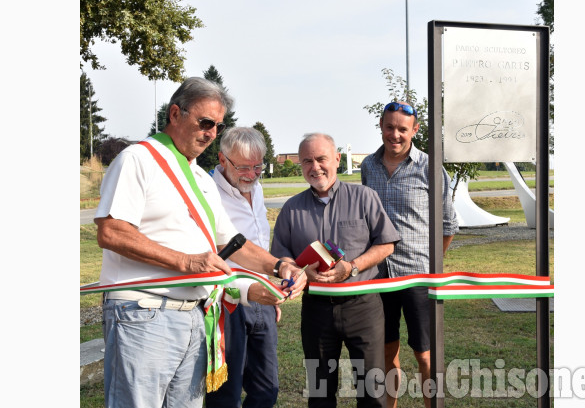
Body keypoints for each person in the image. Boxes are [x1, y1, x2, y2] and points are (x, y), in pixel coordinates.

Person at [94, 77, 306, 408]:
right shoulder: (138, 159)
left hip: (193, 317)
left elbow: (233, 242)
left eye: (218, 127)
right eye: (205, 122)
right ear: (175, 114)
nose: (211, 133)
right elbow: (111, 231)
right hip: (143, 313)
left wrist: (281, 265)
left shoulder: (199, 177)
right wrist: (188, 262)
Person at [271, 133, 400, 408]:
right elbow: (280, 255)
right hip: (317, 310)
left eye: (321, 159)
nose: (315, 167)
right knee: (319, 392)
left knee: (372, 390)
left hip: (363, 306)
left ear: (338, 159)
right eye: (307, 161)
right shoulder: (291, 209)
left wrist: (352, 267)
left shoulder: (364, 197)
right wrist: (300, 271)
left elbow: (387, 243)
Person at [361, 101, 459, 408]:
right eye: (389, 127)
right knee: (386, 355)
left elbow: (448, 224)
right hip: (379, 277)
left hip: (418, 276)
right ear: (381, 126)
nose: (395, 134)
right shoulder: (368, 166)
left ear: (414, 130)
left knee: (425, 355)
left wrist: (433, 267)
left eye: (402, 129)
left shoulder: (430, 168)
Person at [205, 127, 281, 408]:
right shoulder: (207, 193)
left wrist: (270, 294)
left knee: (266, 389)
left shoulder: (256, 188)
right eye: (244, 167)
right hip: (228, 301)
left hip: (263, 298)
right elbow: (208, 258)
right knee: (226, 395)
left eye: (258, 166)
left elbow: (259, 241)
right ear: (222, 159)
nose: (252, 174)